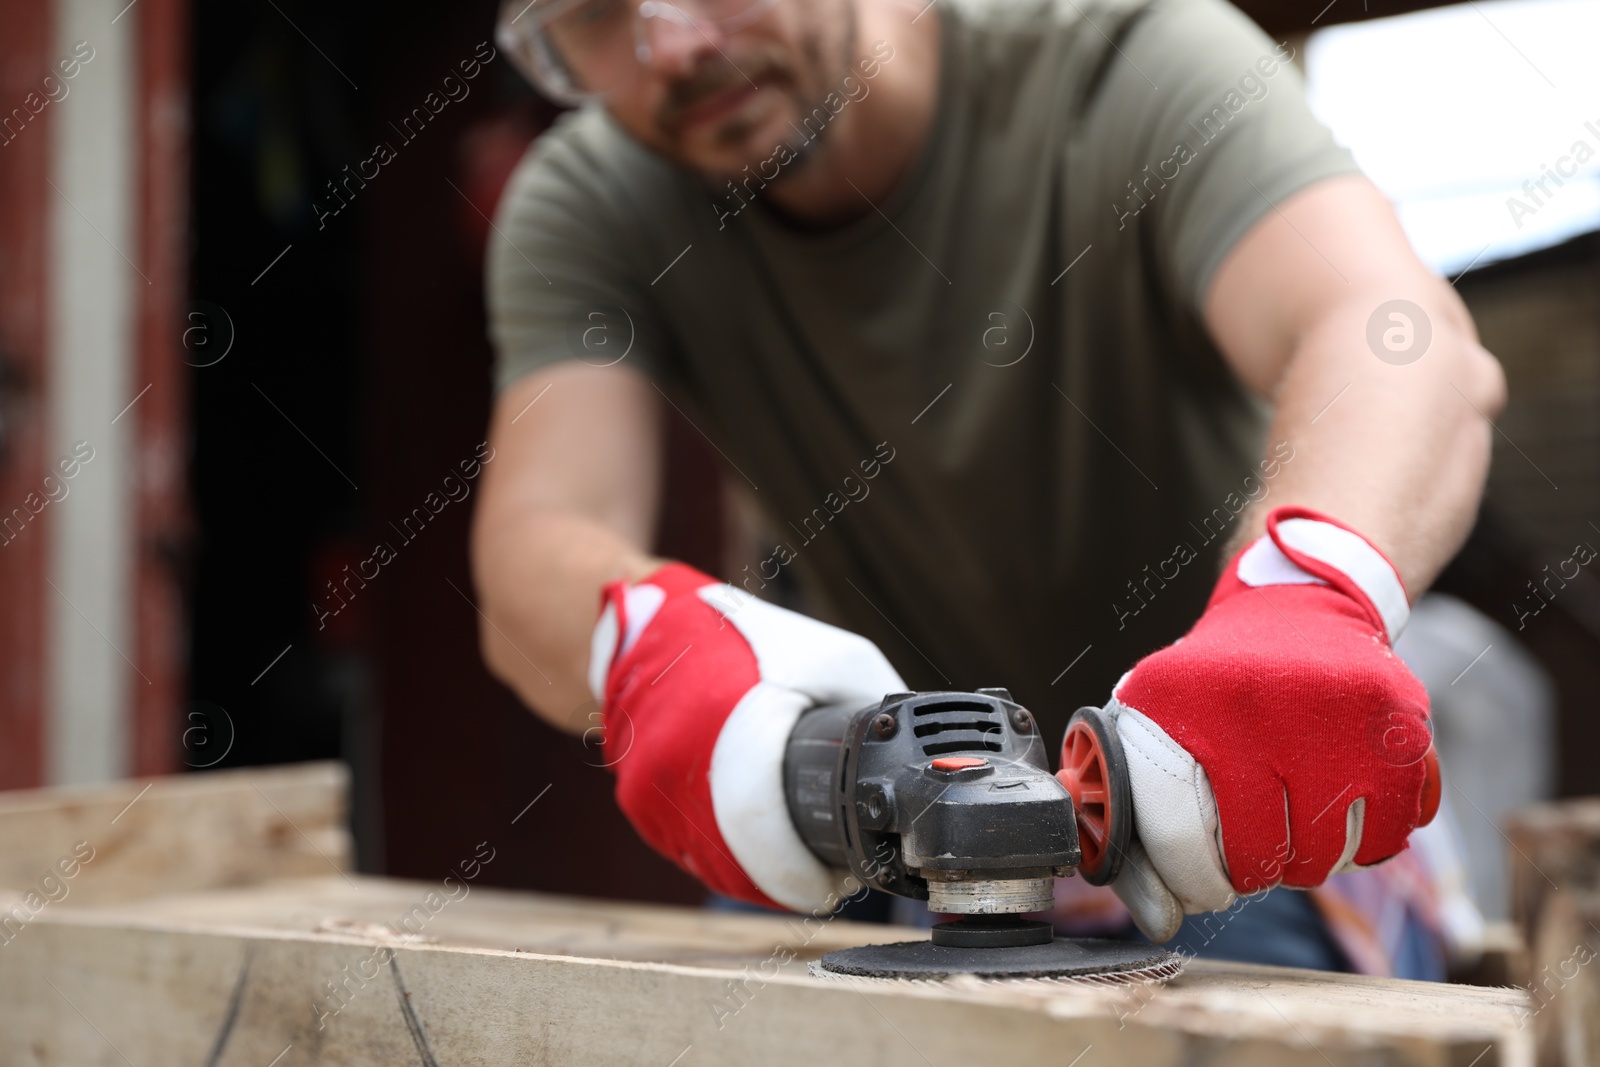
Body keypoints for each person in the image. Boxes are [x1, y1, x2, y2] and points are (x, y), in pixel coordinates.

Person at [471, 0, 1506, 976]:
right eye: (600, 15)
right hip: (872, 814)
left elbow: (1391, 332)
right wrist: (641, 638)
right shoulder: (592, 205)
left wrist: (1302, 593)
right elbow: (538, 531)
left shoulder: (1123, 57)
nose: (679, 43)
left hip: (1220, 801)